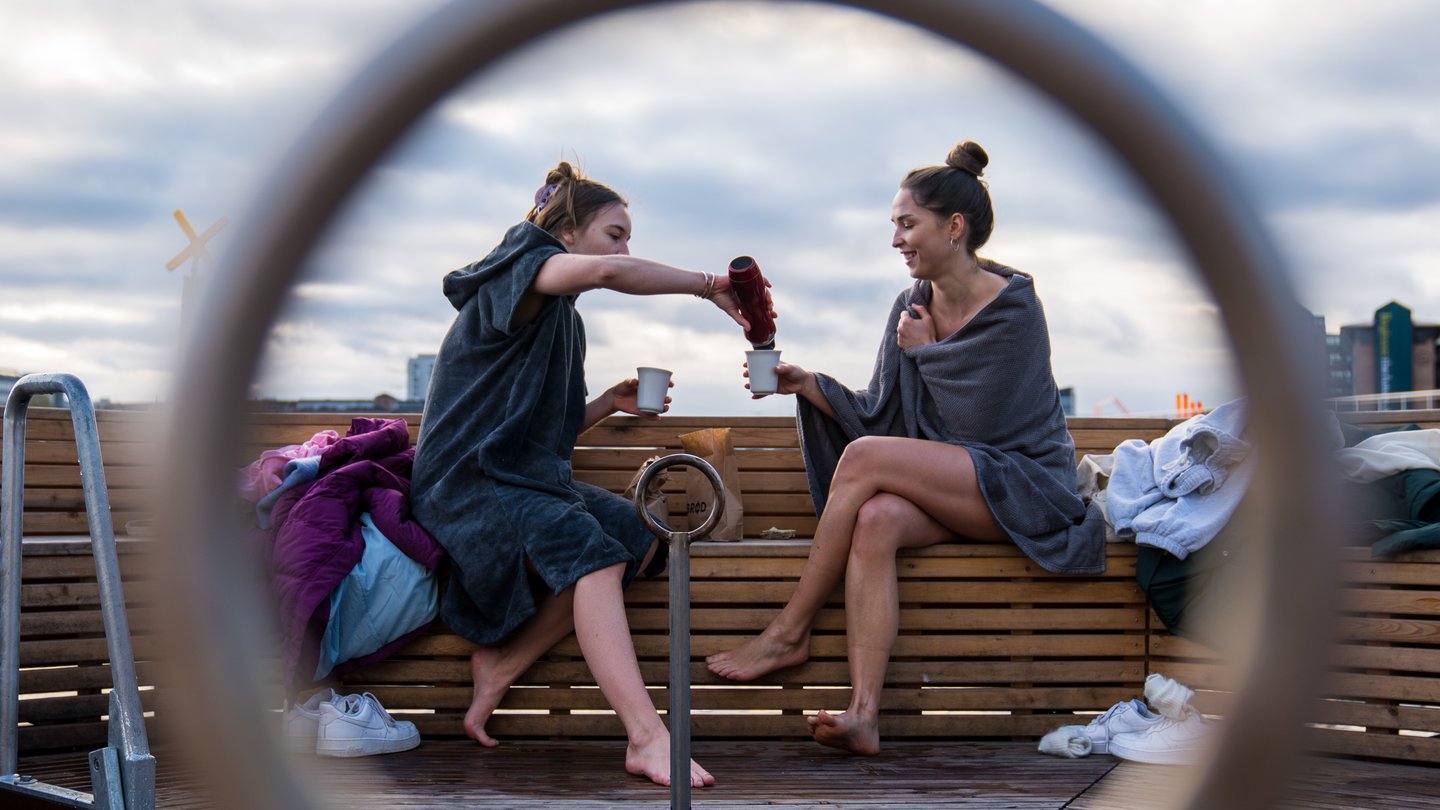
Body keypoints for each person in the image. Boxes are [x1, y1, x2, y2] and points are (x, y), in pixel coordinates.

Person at [705, 140, 1104, 756]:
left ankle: (788, 631)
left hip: (1026, 488)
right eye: (894, 225)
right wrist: (809, 384)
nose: (896, 239)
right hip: (964, 490)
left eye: (906, 224)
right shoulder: (911, 306)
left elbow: (984, 425)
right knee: (876, 517)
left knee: (864, 462)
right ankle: (864, 713)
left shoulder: (1016, 308)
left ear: (953, 227)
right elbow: (883, 413)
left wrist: (927, 354)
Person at [411, 161, 763, 788]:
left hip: (516, 473)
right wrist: (710, 285)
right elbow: (609, 273)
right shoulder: (516, 271)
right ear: (566, 233)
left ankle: (501, 665)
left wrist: (603, 405)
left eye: (628, 238)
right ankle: (647, 737)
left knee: (638, 536)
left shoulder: (560, 317)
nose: (624, 250)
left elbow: (535, 435)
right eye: (615, 233)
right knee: (590, 556)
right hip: (468, 481)